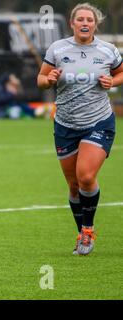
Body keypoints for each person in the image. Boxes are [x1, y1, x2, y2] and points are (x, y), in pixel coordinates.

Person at [37, 3, 123, 255]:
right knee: (74, 185)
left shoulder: (108, 50)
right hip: (65, 123)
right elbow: (41, 79)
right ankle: (82, 233)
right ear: (72, 23)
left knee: (86, 176)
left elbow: (121, 73)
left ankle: (88, 230)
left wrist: (113, 81)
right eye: (80, 19)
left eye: (90, 20)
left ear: (96, 24)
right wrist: (49, 79)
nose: (85, 23)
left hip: (98, 121)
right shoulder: (57, 48)